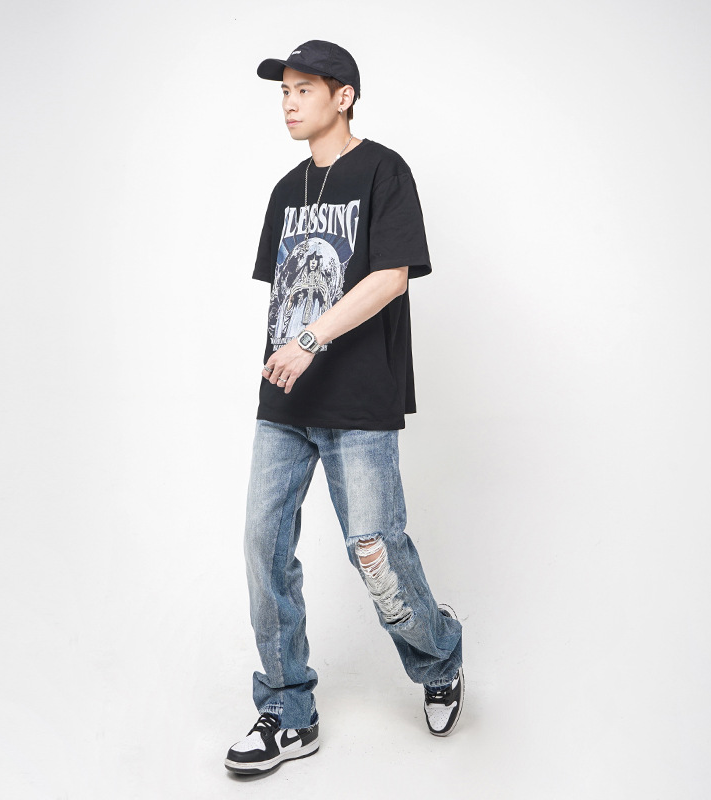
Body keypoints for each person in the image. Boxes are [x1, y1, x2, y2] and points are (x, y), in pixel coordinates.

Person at [224, 40, 464, 776]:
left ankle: (440, 657)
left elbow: (390, 278)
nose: (289, 103)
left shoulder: (384, 171)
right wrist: (286, 355)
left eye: (304, 89)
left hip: (358, 401)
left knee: (375, 552)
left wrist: (309, 340)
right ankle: (289, 710)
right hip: (284, 402)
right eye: (284, 91)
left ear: (344, 95)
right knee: (262, 547)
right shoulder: (285, 190)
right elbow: (286, 289)